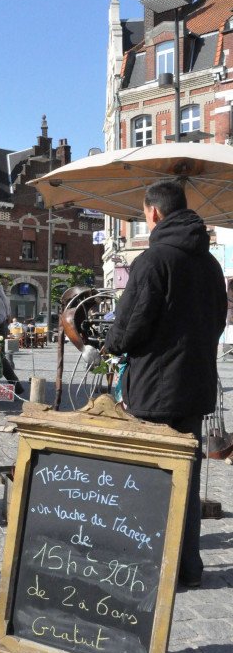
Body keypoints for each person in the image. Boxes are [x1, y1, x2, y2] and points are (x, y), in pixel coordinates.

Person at [105, 179, 227, 590]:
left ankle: (154, 568)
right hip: (194, 390)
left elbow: (127, 329)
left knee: (152, 481)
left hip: (155, 392)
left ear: (154, 212)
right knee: (186, 481)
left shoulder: (154, 260)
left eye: (144, 213)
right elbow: (218, 321)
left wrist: (112, 343)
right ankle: (187, 567)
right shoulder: (210, 265)